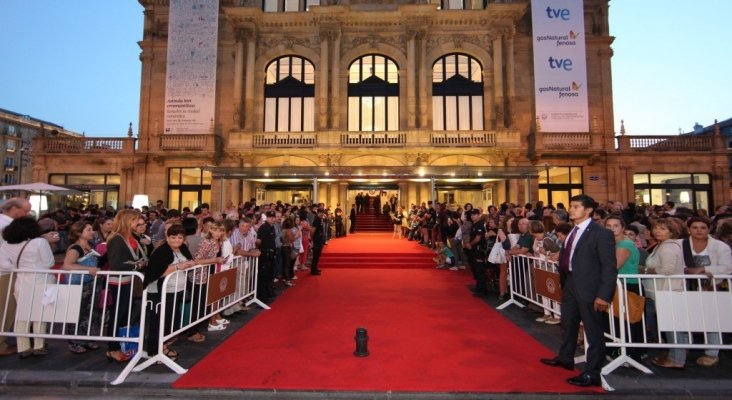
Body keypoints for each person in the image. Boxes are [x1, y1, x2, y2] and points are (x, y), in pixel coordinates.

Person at [540, 194, 617, 387]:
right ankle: (566, 357)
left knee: (593, 330)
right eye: (571, 206)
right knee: (568, 322)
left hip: (590, 288)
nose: (571, 210)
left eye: (575, 206)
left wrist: (604, 295)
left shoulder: (601, 233)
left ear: (588, 210)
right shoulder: (573, 231)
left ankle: (592, 373)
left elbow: (609, 266)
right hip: (571, 283)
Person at [680, 216, 732, 367]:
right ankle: (684, 347)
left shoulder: (720, 246)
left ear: (709, 229)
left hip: (712, 287)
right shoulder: (681, 244)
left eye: (703, 228)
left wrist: (704, 269)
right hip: (686, 286)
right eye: (695, 227)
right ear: (689, 229)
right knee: (684, 317)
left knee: (711, 319)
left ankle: (712, 351)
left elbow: (727, 267)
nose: (699, 231)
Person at [0, 216, 55, 358]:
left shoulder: (7, 244)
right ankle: (38, 345)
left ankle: (23, 347)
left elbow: (3, 263)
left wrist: (19, 267)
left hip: (21, 281)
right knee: (40, 315)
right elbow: (49, 261)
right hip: (41, 281)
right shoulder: (40, 242)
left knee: (22, 314)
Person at [143, 223, 196, 360]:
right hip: (161, 292)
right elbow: (155, 273)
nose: (176, 240)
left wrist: (189, 264)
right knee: (159, 321)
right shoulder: (161, 251)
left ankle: (163, 346)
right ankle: (155, 352)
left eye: (179, 238)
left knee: (169, 321)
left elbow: (190, 261)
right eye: (173, 237)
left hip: (177, 290)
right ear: (167, 237)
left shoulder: (183, 248)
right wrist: (178, 266)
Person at [644, 218, 687, 369]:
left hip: (667, 291)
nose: (657, 231)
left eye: (662, 229)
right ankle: (674, 356)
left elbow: (667, 270)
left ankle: (676, 359)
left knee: (672, 326)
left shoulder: (669, 247)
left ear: (671, 231)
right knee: (670, 326)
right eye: (656, 228)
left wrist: (647, 270)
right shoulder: (662, 245)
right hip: (662, 291)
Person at [105, 209, 145, 363]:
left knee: (123, 313)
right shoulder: (117, 239)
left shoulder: (128, 237)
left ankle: (118, 345)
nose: (138, 223)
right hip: (119, 281)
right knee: (118, 313)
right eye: (135, 220)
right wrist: (136, 266)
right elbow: (115, 264)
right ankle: (112, 348)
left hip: (128, 280)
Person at [62, 220, 102, 354]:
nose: (92, 232)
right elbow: (67, 265)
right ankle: (75, 341)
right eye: (88, 230)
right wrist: (87, 269)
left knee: (90, 311)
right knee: (78, 312)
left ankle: (88, 337)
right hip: (79, 284)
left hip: (91, 283)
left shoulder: (90, 246)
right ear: (79, 232)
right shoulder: (75, 248)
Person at [0, 197, 32, 357]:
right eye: (25, 211)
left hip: (7, 271)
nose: (26, 215)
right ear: (13, 209)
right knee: (5, 308)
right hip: (5, 273)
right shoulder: (6, 226)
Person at [309, 209, 325, 276]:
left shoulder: (320, 220)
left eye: (322, 213)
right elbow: (312, 231)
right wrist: (313, 239)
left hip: (319, 240)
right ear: (318, 213)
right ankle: (313, 270)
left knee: (318, 255)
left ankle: (315, 268)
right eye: (321, 213)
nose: (322, 214)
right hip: (316, 240)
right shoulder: (316, 220)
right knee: (315, 255)